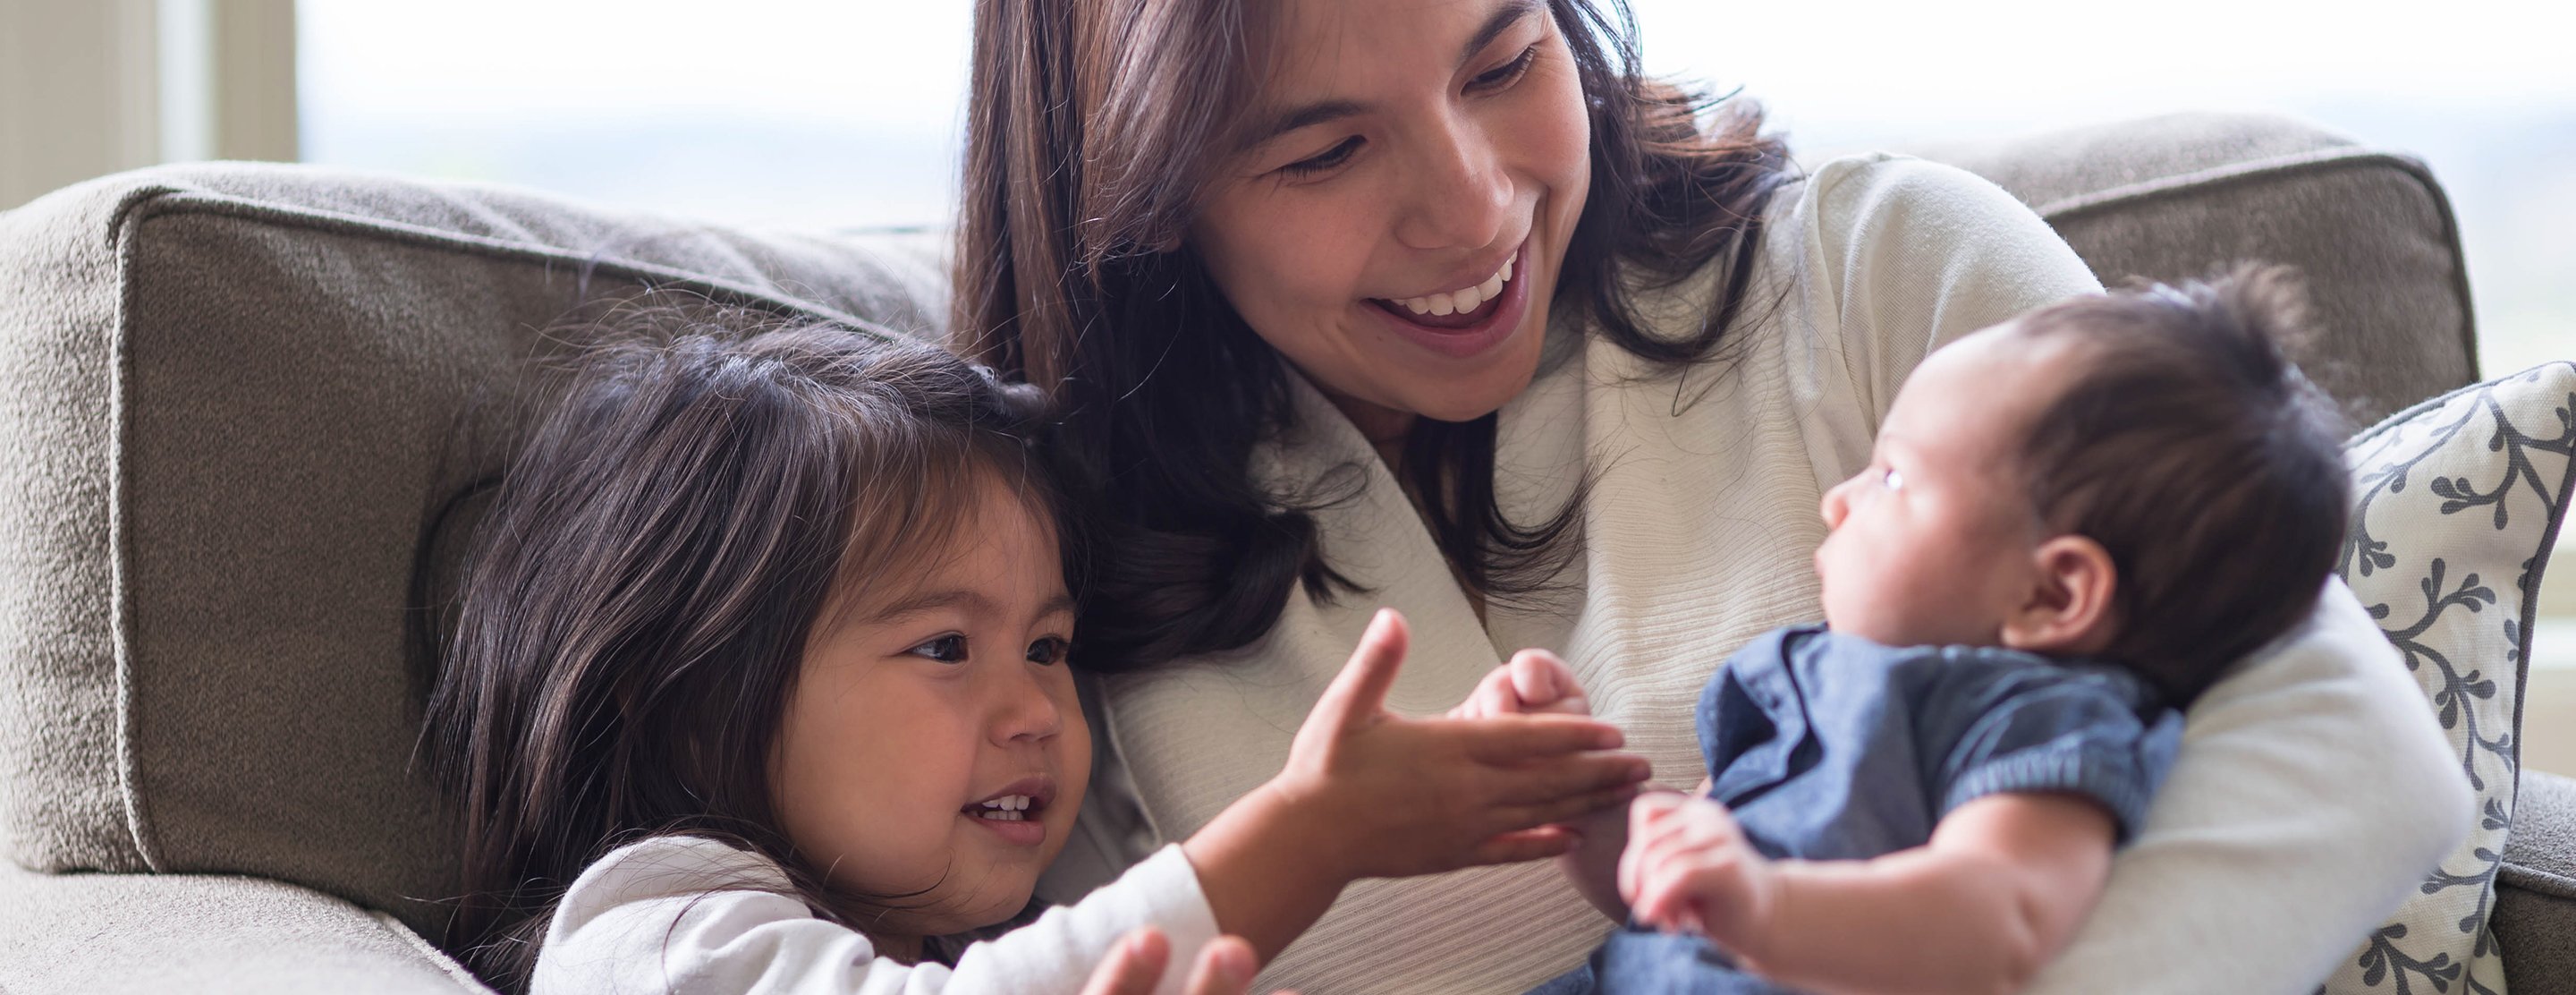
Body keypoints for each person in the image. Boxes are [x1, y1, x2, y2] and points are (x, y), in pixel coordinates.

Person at [949, 0, 2470, 991]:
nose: (1476, 204)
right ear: (1133, 193)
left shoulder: (1883, 272)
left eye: (1503, 61)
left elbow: (2360, 757)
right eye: (1328, 149)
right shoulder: (1022, 579)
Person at [419, 309, 1647, 994]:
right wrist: (1307, 834)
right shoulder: (651, 936)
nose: (1035, 712)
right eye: (946, 646)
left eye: (1050, 645)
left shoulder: (970, 933)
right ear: (683, 701)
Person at [1505, 269, 2354, 993]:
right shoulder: (1814, 677)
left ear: (2054, 592)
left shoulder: (2042, 717)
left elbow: (2000, 913)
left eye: (1893, 476)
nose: (1839, 498)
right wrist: (1595, 810)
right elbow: (1664, 890)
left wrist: (1766, 905)